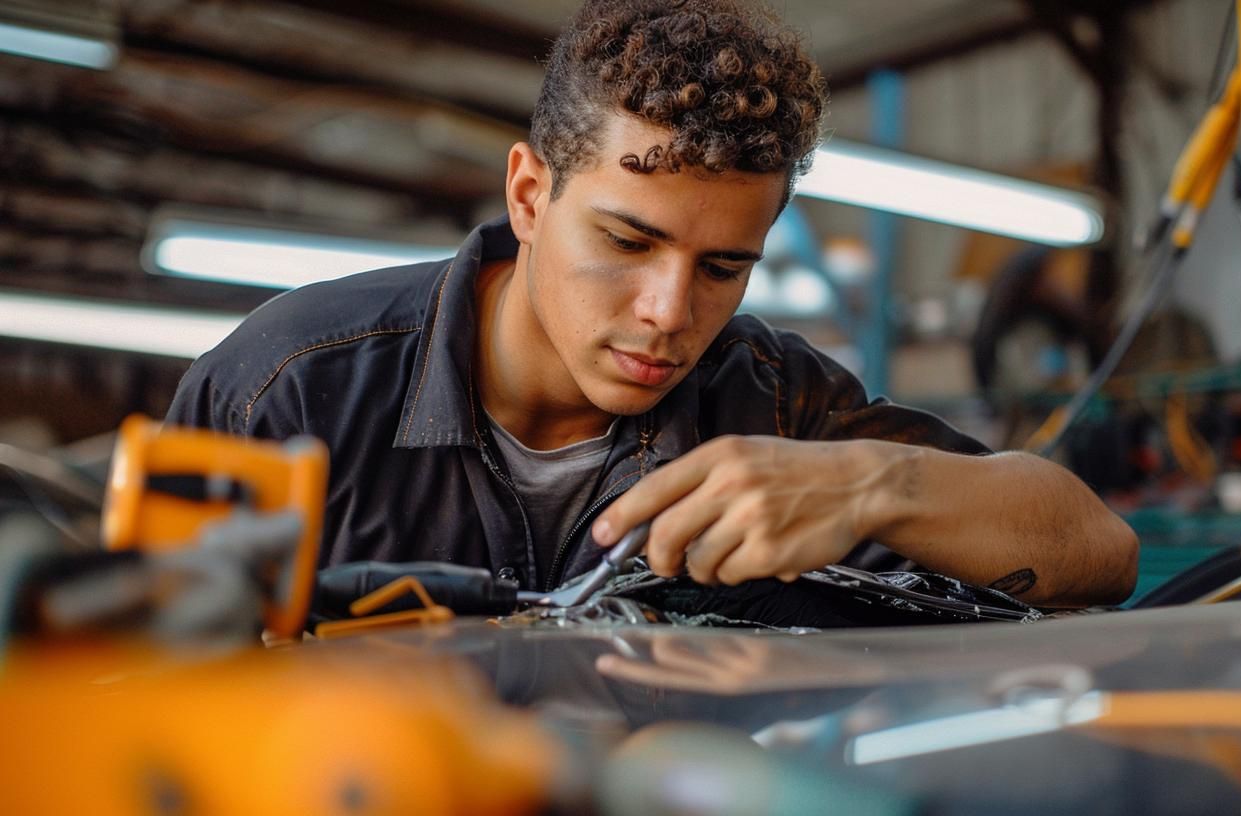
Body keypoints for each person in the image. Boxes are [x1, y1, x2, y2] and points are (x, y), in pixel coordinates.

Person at [167, 0, 1137, 606]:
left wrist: (868, 486)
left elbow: (1097, 549)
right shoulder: (288, 391)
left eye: (723, 267)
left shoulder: (773, 404)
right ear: (529, 195)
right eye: (628, 243)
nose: (671, 310)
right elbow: (134, 673)